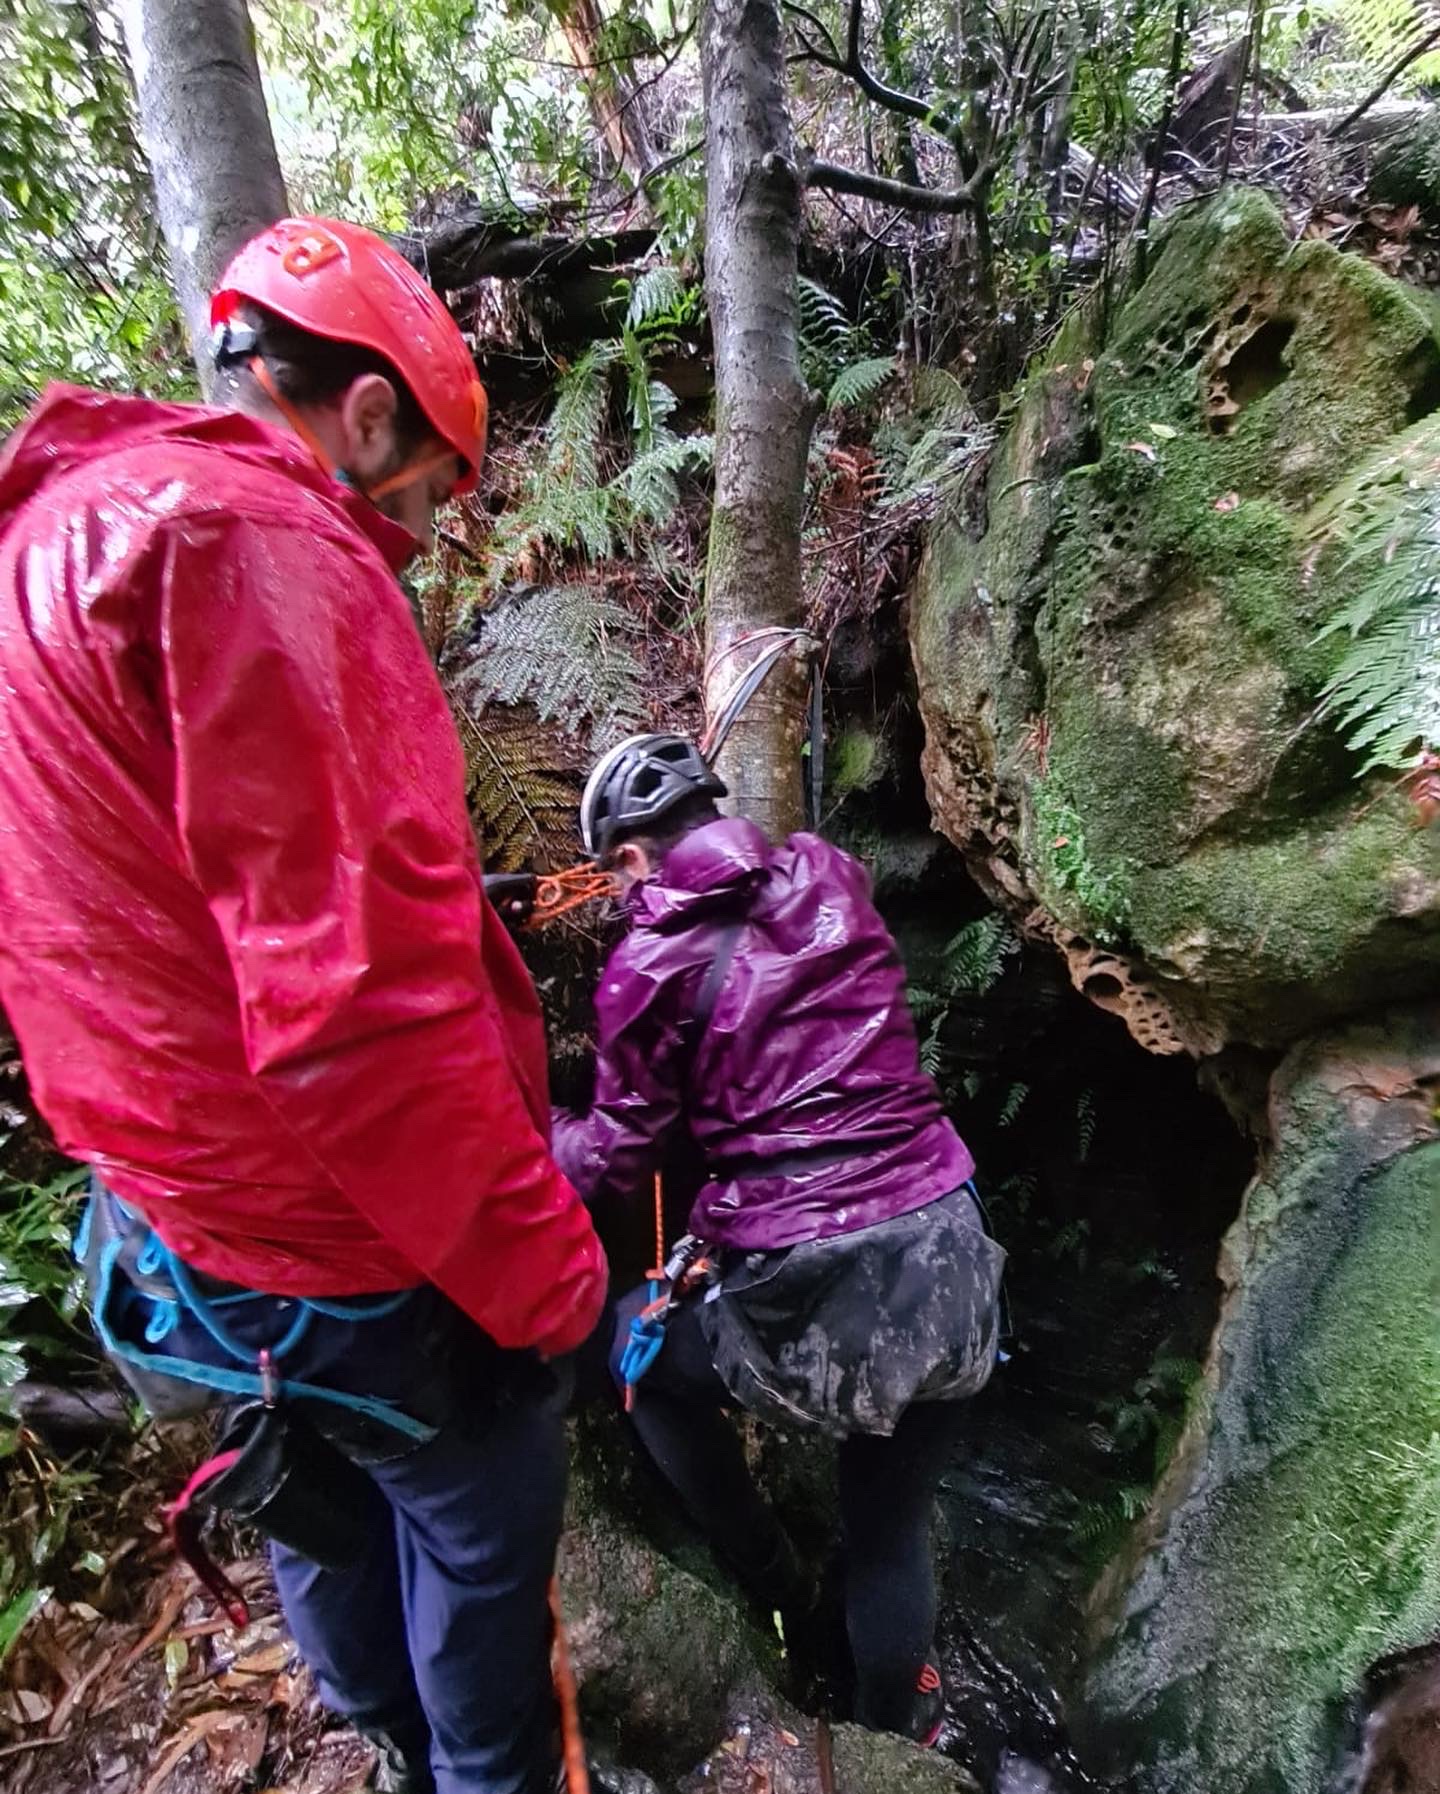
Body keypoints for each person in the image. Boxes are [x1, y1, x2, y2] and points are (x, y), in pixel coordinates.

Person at [0, 216, 606, 1794]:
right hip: (325, 1229)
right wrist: (552, 1278)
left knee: (313, 1487)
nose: (417, 538)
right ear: (370, 413)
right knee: (485, 1521)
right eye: (426, 499)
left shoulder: (45, 538)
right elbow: (363, 1016)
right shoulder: (259, 542)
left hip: (161, 1216)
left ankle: (388, 1738)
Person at [553, 734, 1006, 1746]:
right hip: (952, 1243)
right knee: (889, 1526)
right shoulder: (831, 875)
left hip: (825, 1277)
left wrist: (538, 1128)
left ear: (630, 856)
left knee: (635, 1358)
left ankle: (775, 1580)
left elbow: (615, 1156)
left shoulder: (647, 963)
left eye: (613, 877)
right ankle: (902, 1730)